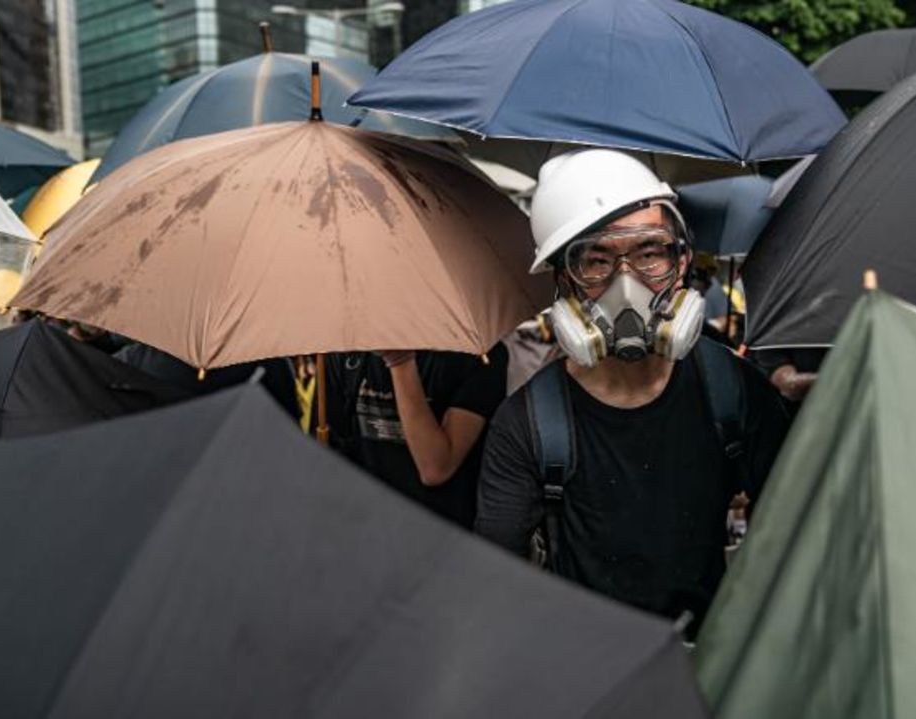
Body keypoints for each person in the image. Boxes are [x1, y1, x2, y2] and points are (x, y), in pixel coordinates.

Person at [474, 150, 789, 635]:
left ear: (681, 261)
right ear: (564, 280)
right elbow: (498, 586)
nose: (628, 284)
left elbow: (800, 535)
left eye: (649, 252)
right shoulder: (529, 424)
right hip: (585, 674)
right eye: (596, 259)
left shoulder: (734, 390)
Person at [326, 346, 508, 529]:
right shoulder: (347, 352)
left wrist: (400, 361)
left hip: (442, 534)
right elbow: (336, 455)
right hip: (365, 526)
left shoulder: (479, 355)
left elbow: (435, 468)